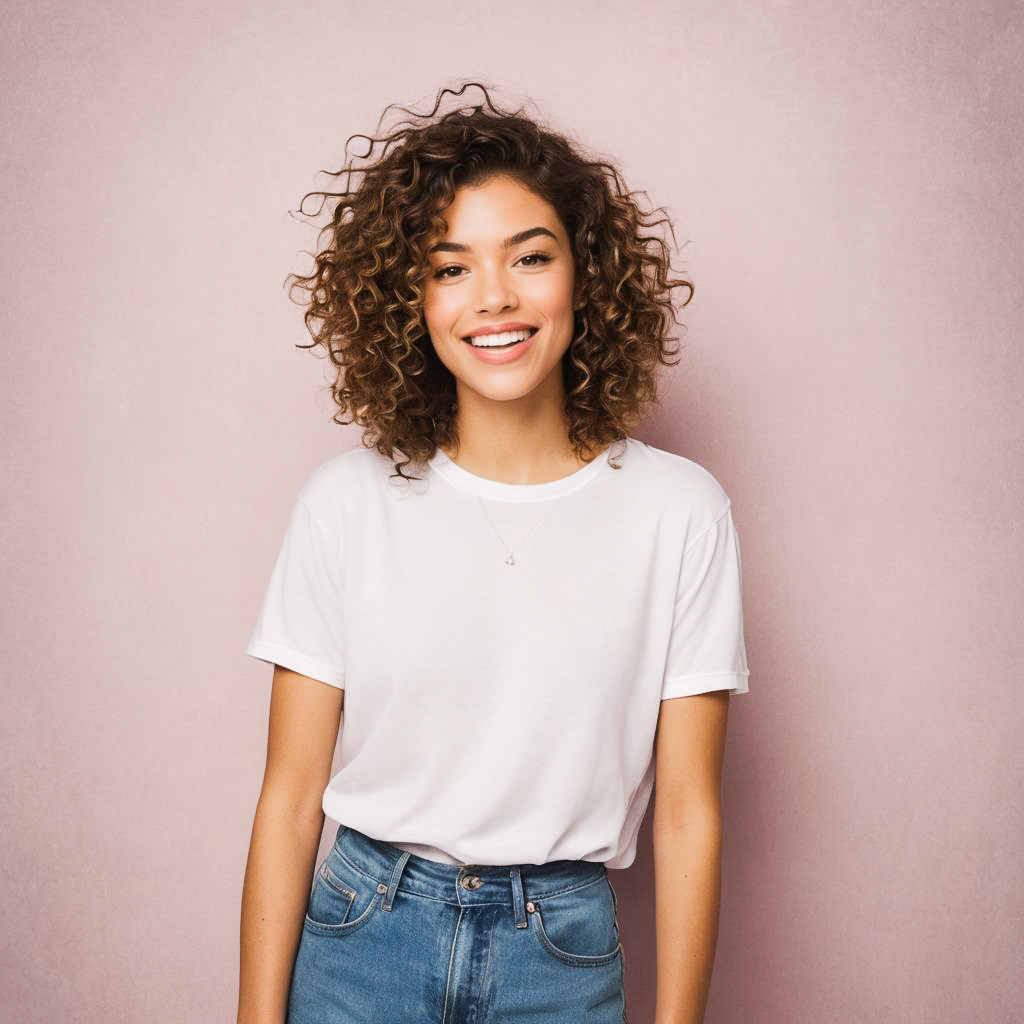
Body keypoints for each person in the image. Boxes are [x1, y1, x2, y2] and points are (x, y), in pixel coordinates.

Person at [237, 81, 750, 1024]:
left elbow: (687, 815)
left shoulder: (681, 513)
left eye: (530, 257)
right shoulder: (347, 504)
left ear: (584, 275)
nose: (496, 298)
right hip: (362, 937)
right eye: (451, 268)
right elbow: (290, 795)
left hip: (558, 955)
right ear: (412, 301)